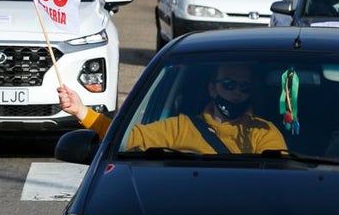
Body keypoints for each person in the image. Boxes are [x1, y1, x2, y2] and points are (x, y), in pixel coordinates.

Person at [57, 63, 286, 154]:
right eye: (229, 84)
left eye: (244, 87)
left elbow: (279, 176)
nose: (237, 93)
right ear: (213, 89)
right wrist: (81, 111)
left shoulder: (262, 132)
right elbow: (127, 138)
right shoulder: (180, 127)